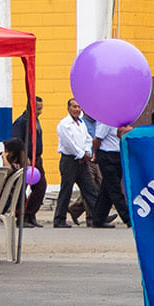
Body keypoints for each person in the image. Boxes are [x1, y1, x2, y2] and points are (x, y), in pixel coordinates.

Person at [53, 98, 96, 229]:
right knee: (66, 190)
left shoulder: (81, 123)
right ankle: (59, 219)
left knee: (90, 189)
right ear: (68, 108)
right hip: (69, 160)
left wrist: (87, 152)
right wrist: (82, 154)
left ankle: (99, 216)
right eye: (74, 107)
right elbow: (69, 144)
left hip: (82, 161)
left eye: (78, 107)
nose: (77, 109)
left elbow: (88, 139)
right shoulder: (64, 124)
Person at [87, 113, 132, 228]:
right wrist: (95, 154)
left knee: (106, 190)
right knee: (114, 189)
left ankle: (98, 219)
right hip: (107, 155)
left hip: (117, 155)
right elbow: (97, 139)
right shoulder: (105, 119)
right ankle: (128, 219)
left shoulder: (120, 119)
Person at [10, 96, 46, 227]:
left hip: (37, 158)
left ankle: (30, 214)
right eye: (38, 109)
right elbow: (16, 141)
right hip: (26, 159)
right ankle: (21, 217)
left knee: (40, 187)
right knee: (21, 189)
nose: (40, 111)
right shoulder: (21, 122)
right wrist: (23, 157)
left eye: (41, 109)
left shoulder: (36, 120)